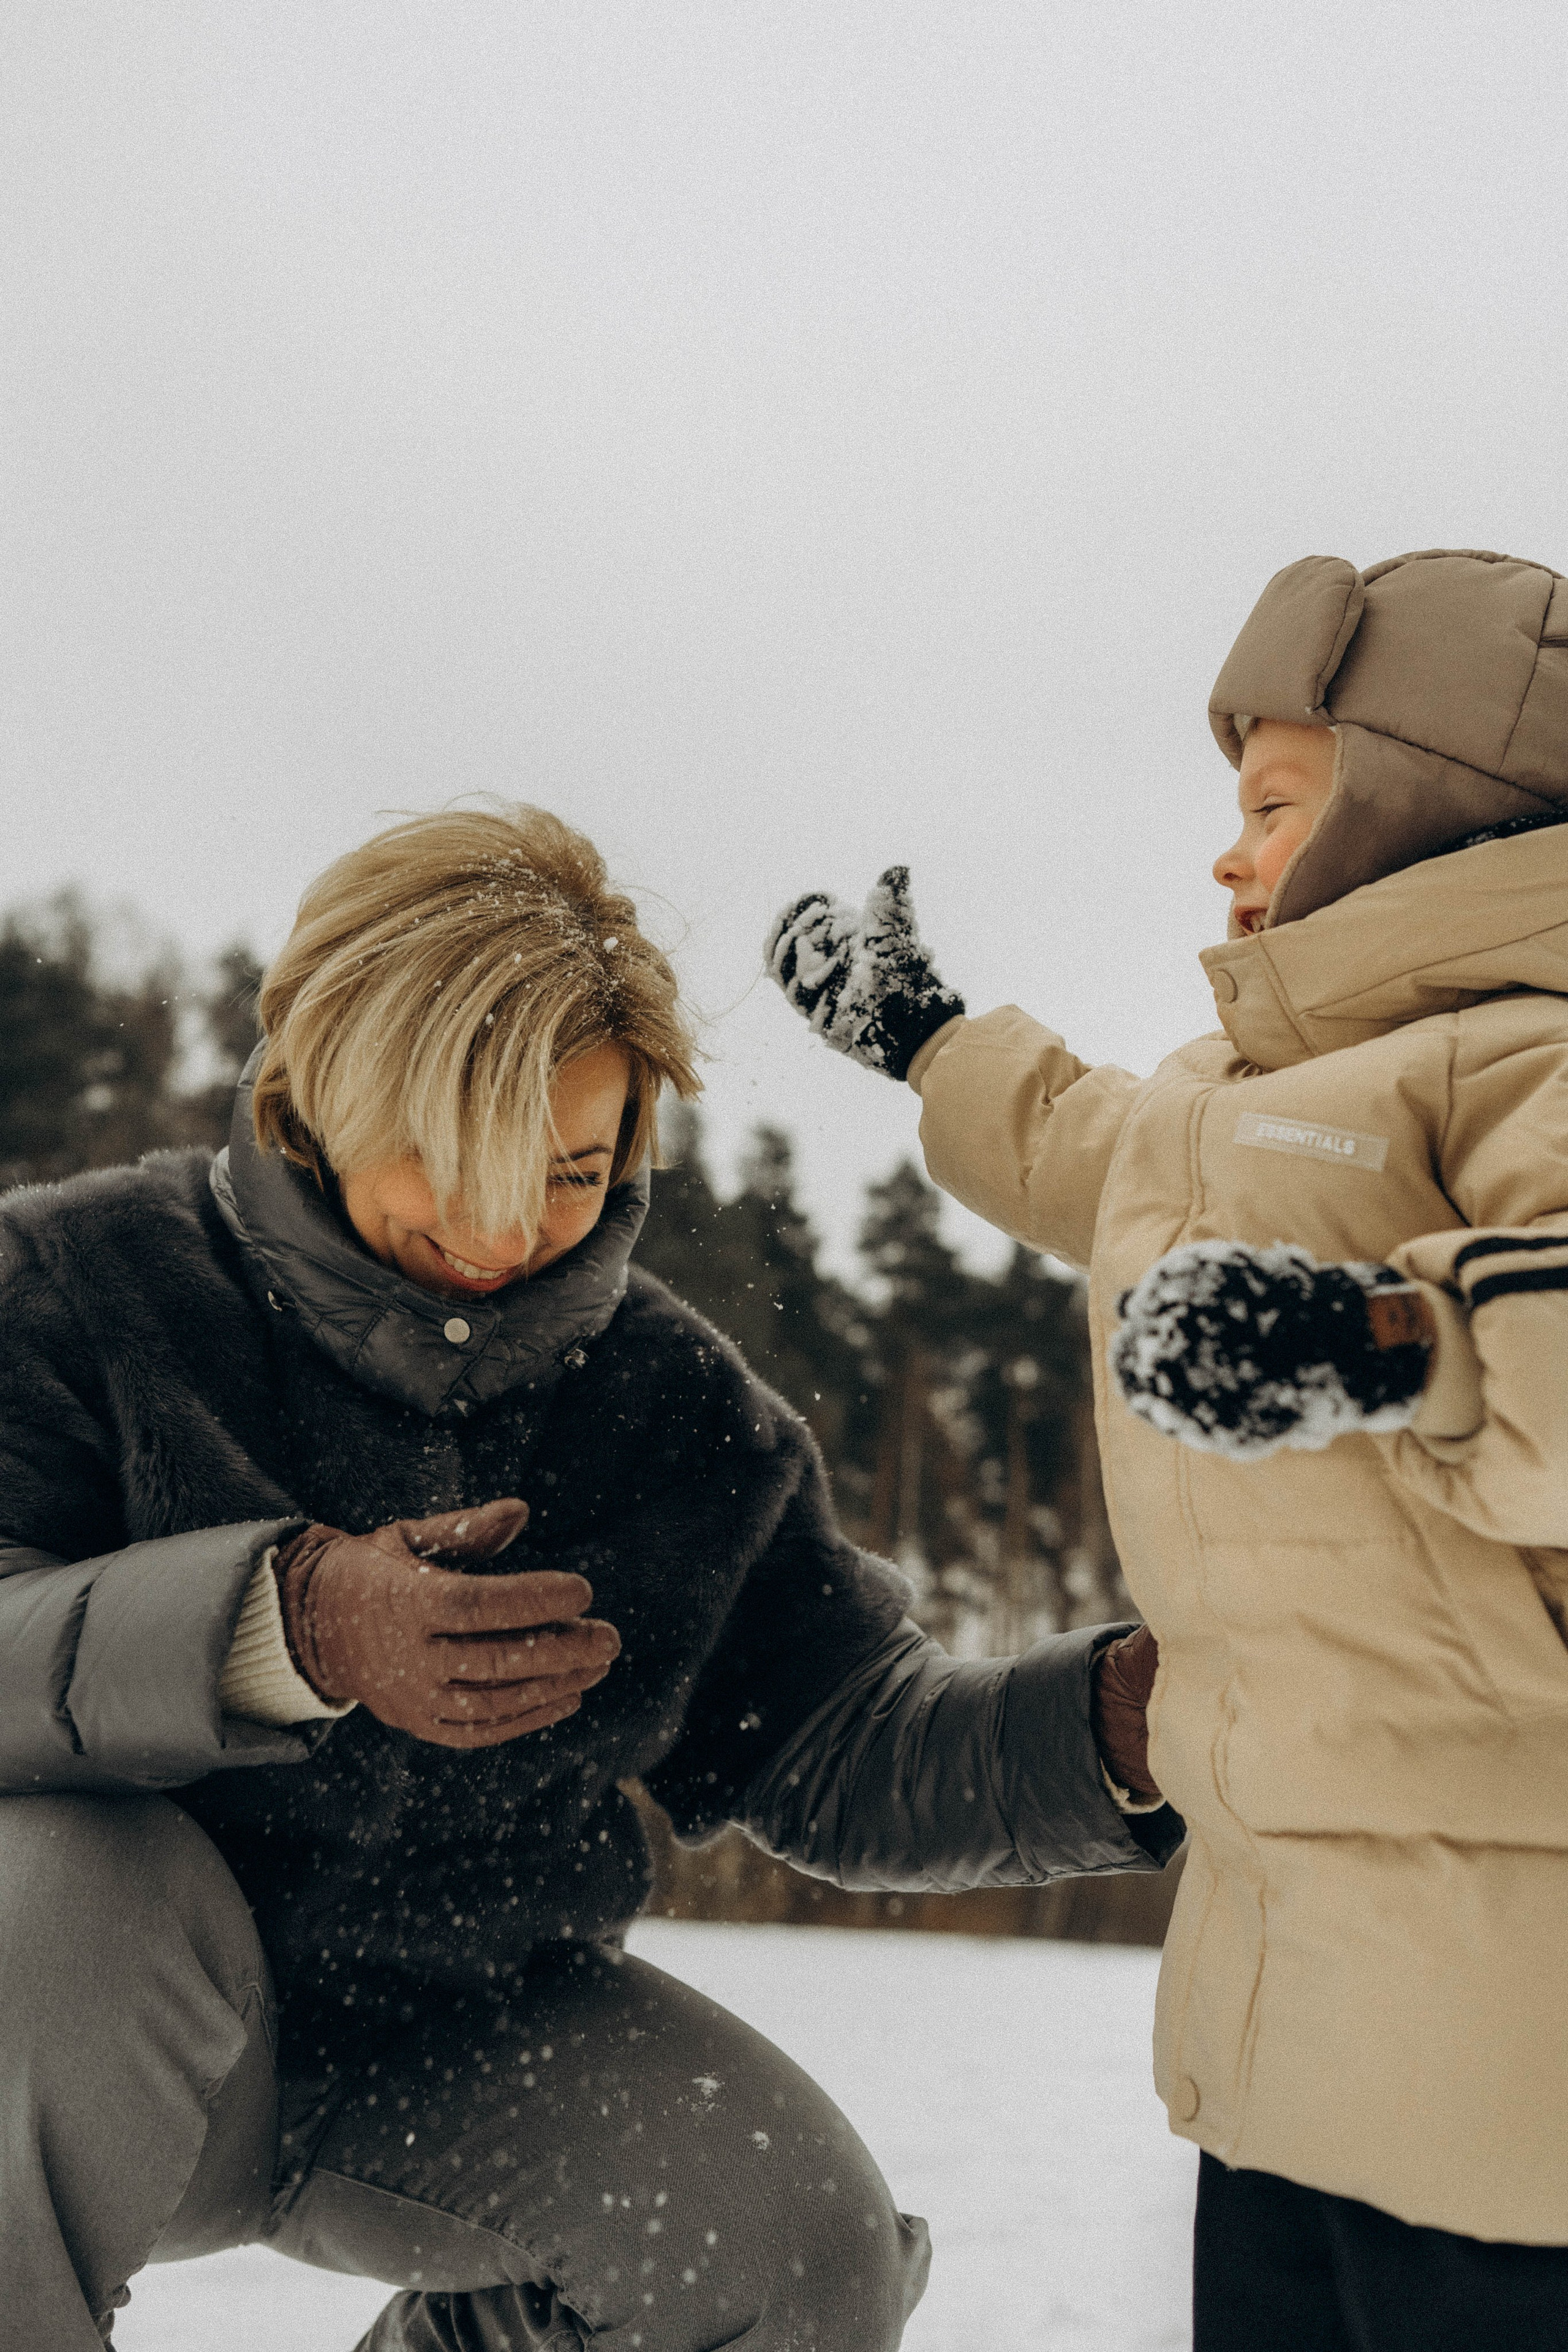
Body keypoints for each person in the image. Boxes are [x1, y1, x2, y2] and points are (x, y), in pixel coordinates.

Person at [0, 803, 1179, 2351]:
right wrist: (284, 1625)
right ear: (318, 1091)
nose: (502, 1231)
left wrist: (1104, 1727)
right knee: (76, 1893)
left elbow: (838, 1745)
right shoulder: (81, 1285)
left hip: (446, 2039)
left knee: (791, 2249)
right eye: (444, 1156)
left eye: (566, 1168)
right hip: (73, 2028)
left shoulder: (669, 1408)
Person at [766, 548, 1568, 2352]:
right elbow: (1082, 1142)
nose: (1229, 852)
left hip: (1518, 2057)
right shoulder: (1248, 1102)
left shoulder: (1529, 1062)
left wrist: (1371, 1344)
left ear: (1432, 815)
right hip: (1280, 2034)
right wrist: (923, 1035)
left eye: (1277, 805)